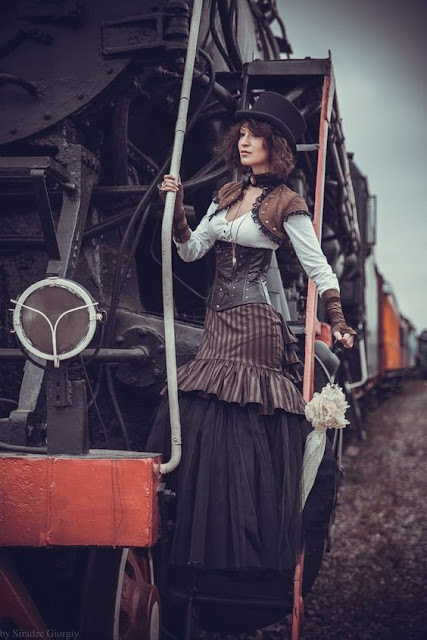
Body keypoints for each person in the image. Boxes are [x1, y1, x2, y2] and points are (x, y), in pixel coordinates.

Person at [148, 92, 356, 574]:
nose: (244, 141)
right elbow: (191, 251)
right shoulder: (226, 195)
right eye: (241, 133)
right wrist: (177, 207)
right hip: (218, 325)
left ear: (275, 145)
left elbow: (320, 271)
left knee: (236, 429)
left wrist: (338, 320)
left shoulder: (288, 204)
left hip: (256, 328)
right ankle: (195, 542)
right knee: (200, 416)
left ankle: (235, 550)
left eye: (254, 135)